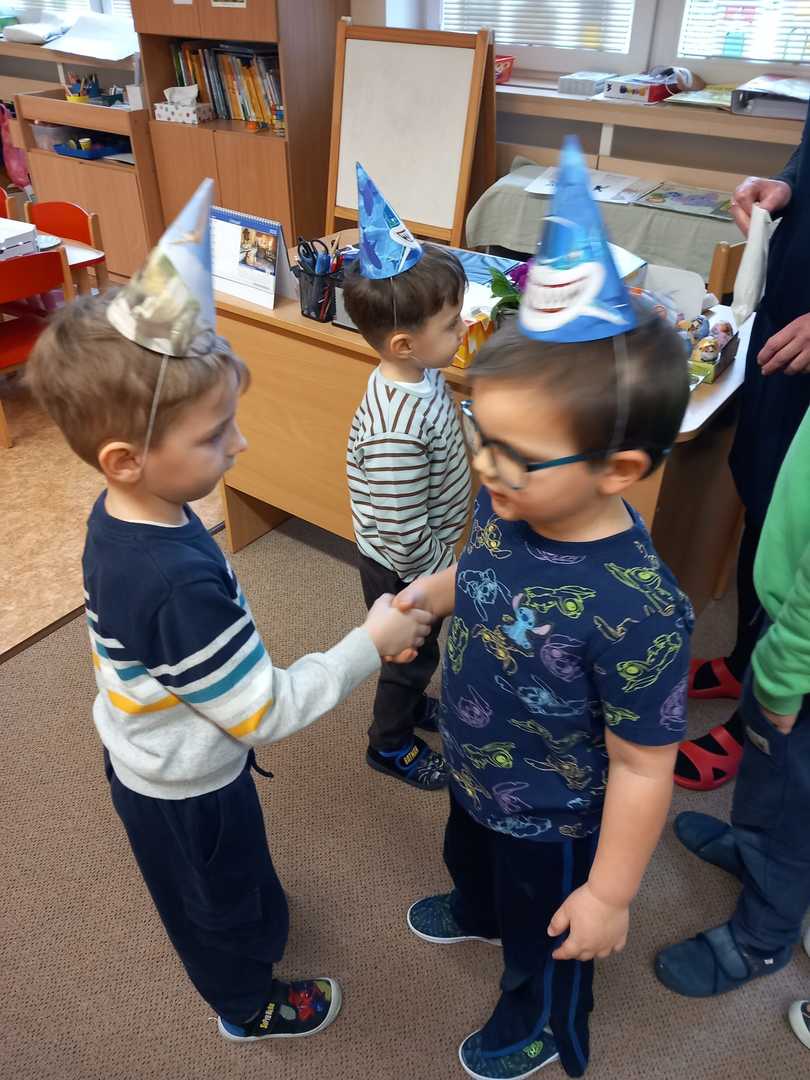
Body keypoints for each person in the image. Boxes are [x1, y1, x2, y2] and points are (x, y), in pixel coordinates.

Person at [26, 180, 432, 1043]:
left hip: (175, 745)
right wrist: (370, 640)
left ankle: (250, 933)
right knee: (216, 901)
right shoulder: (169, 581)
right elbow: (264, 709)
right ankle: (246, 1005)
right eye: (215, 435)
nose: (239, 444)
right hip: (185, 782)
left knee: (230, 879)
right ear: (125, 458)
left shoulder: (133, 512)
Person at [395, 139, 693, 1080]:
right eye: (481, 435)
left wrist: (610, 893)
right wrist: (433, 594)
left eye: (513, 454)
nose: (484, 465)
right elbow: (483, 572)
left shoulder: (640, 608)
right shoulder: (510, 496)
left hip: (555, 816)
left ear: (619, 470)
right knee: (472, 860)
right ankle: (477, 909)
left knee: (549, 932)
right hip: (474, 761)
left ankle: (543, 1021)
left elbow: (644, 766)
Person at [655, 404, 810, 1000]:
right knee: (767, 767)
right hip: (789, 613)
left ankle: (762, 937)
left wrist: (784, 670)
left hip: (800, 650)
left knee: (795, 802)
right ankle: (752, 850)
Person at [676, 104, 810, 791]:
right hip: (789, 320)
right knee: (764, 490)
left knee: (802, 544)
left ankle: (765, 718)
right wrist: (787, 185)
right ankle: (745, 659)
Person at [343, 164, 471, 791]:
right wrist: (443, 576)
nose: (463, 328)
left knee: (421, 653)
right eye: (452, 324)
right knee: (407, 655)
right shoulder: (395, 428)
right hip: (406, 564)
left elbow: (444, 420)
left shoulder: (421, 373)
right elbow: (399, 529)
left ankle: (412, 704)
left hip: (426, 552)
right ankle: (388, 743)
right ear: (402, 343)